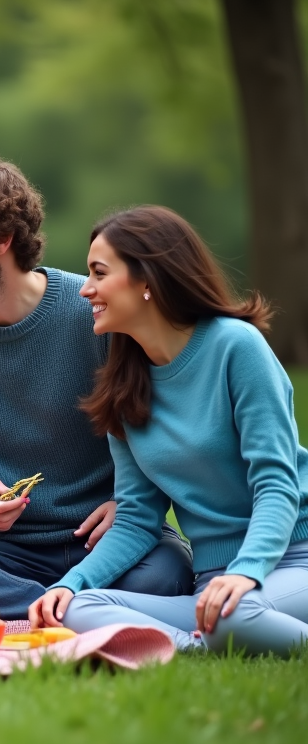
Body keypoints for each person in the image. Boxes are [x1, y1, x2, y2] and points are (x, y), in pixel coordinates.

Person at [0, 147, 193, 621]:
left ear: (2, 239)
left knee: (165, 569)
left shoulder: (96, 314)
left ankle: (15, 608)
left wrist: (132, 504)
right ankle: (77, 609)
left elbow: (166, 432)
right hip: (9, 555)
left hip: (109, 541)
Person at [28, 206, 308, 656]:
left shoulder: (236, 347)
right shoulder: (122, 384)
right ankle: (198, 645)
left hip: (291, 559)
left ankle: (203, 638)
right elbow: (137, 518)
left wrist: (246, 571)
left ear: (147, 280)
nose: (85, 289)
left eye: (99, 273)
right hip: (211, 585)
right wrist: (71, 583)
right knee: (80, 608)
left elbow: (277, 484)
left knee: (230, 615)